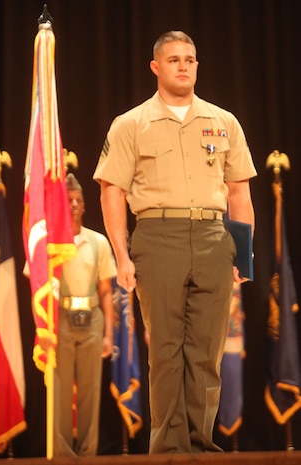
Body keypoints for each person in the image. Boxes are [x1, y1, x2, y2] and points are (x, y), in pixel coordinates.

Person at [93, 30, 256, 454]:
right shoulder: (131, 123)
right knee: (166, 351)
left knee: (206, 354)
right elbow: (111, 191)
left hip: (212, 237)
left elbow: (238, 192)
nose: (183, 65)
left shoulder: (224, 121)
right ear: (156, 67)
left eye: (189, 59)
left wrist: (244, 253)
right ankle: (168, 450)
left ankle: (201, 446)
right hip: (157, 237)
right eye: (174, 59)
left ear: (197, 65)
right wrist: (121, 255)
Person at [53, 173, 117, 456]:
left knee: (91, 389)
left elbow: (106, 291)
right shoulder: (51, 243)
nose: (74, 205)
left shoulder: (98, 241)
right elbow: (39, 288)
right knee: (60, 390)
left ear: (85, 205)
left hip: (91, 317)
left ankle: (88, 453)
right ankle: (63, 453)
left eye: (79, 200)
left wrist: (108, 335)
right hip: (61, 319)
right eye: (69, 201)